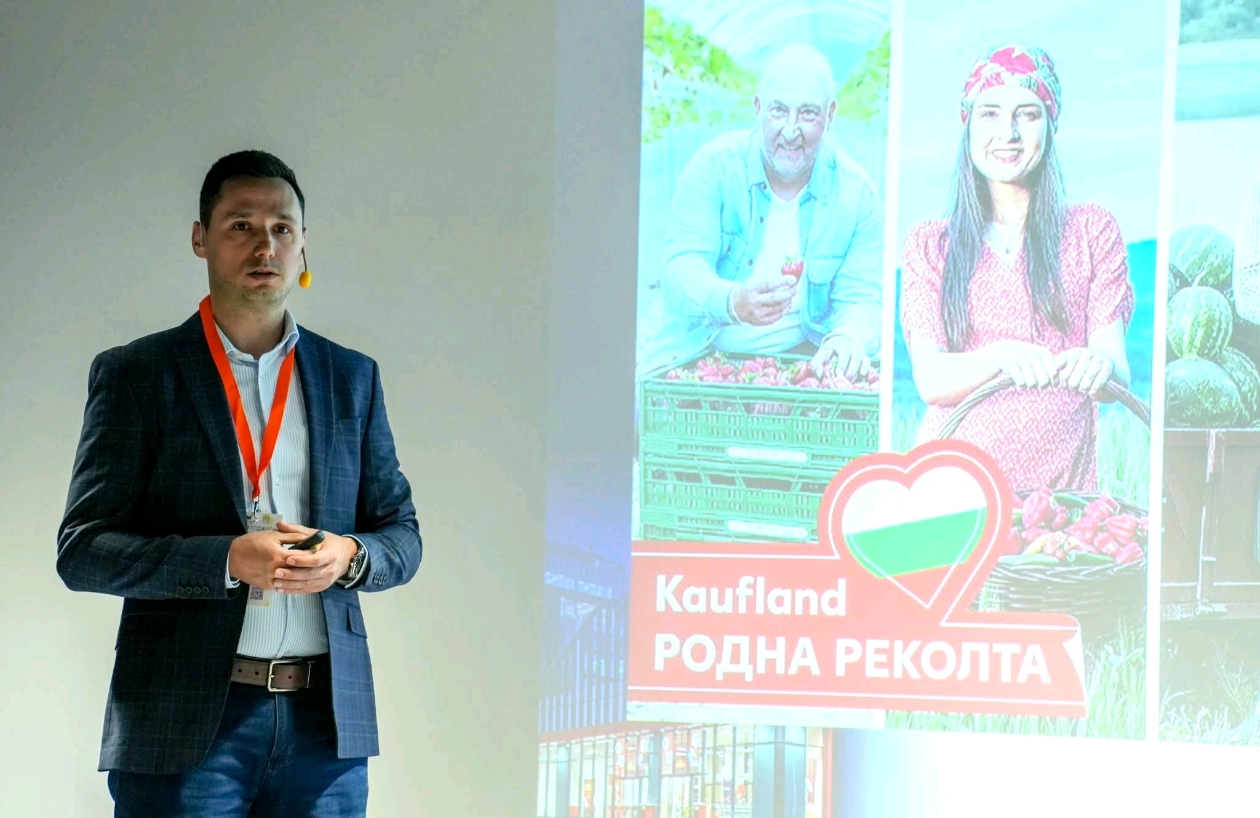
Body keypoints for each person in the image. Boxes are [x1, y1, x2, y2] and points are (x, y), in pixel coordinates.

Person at [56, 150, 422, 816]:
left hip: (325, 729)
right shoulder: (139, 374)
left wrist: (350, 556)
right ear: (200, 238)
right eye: (241, 226)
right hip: (184, 725)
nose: (265, 245)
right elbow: (83, 551)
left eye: (282, 228)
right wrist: (224, 561)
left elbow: (402, 535)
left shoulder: (351, 378)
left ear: (303, 243)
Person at [899, 43, 1134, 493]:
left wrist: (1098, 365)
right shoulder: (931, 244)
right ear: (968, 124)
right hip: (948, 490)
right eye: (989, 113)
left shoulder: (1092, 231)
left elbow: (1117, 372)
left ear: (1050, 124)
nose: (1007, 132)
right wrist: (999, 356)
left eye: (1027, 114)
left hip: (1058, 497)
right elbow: (931, 379)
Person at [639, 43, 884, 382]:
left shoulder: (856, 195)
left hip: (798, 364)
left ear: (830, 116)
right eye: (778, 111)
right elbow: (679, 270)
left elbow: (863, 299)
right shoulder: (714, 168)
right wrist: (732, 301)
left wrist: (847, 336)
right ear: (758, 109)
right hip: (698, 353)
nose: (791, 131)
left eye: (808, 114)